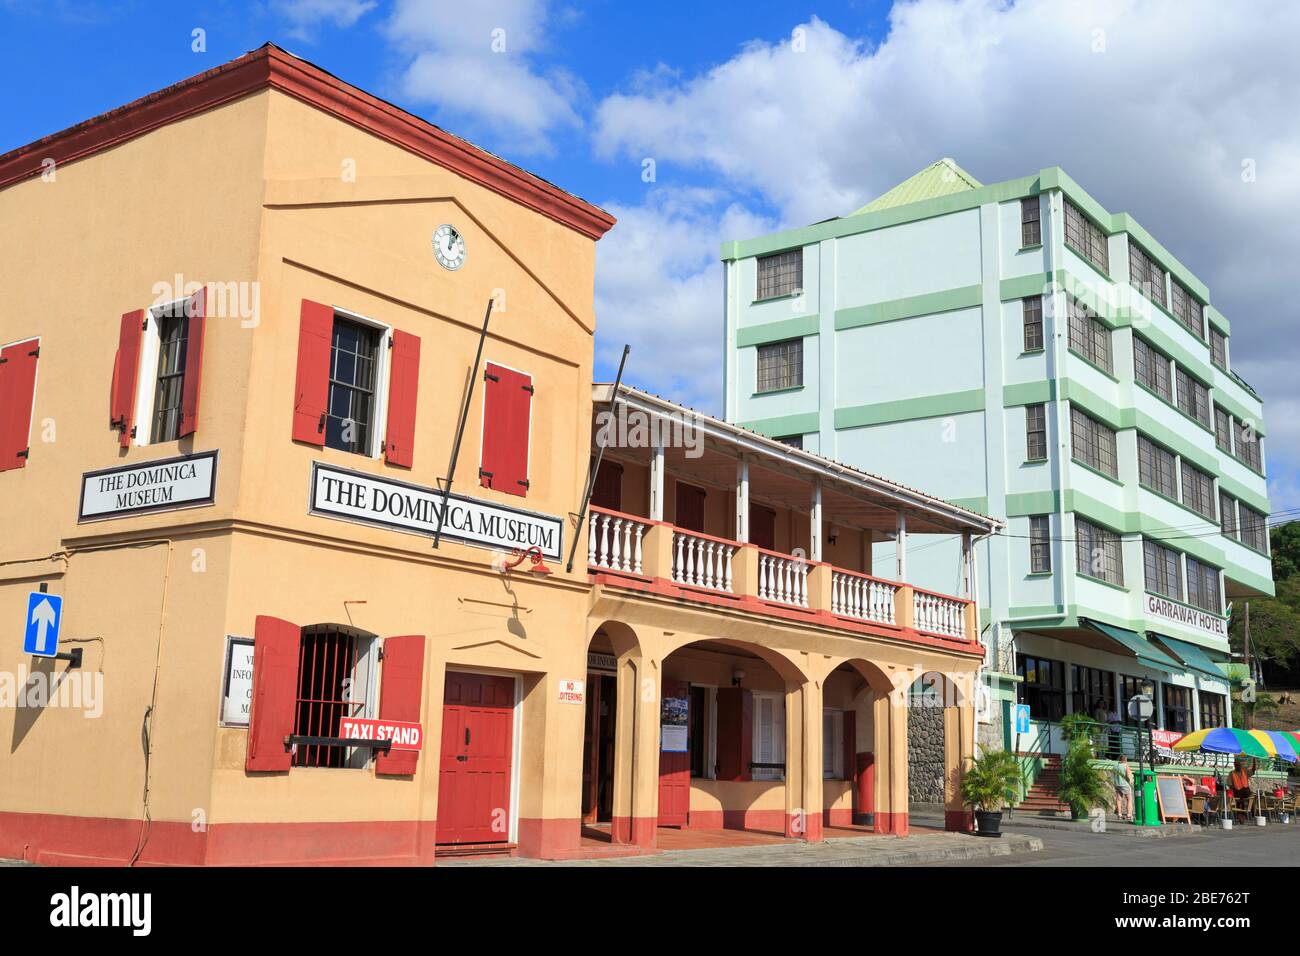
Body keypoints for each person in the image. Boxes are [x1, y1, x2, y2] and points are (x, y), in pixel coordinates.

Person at [1114, 753, 1134, 821]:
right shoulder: (1126, 766)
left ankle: (1119, 814)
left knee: (1119, 799)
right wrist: (1131, 781)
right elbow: (1129, 776)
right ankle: (1129, 815)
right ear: (1126, 759)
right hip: (1125, 785)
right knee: (1129, 799)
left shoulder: (1115, 765)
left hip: (1117, 784)